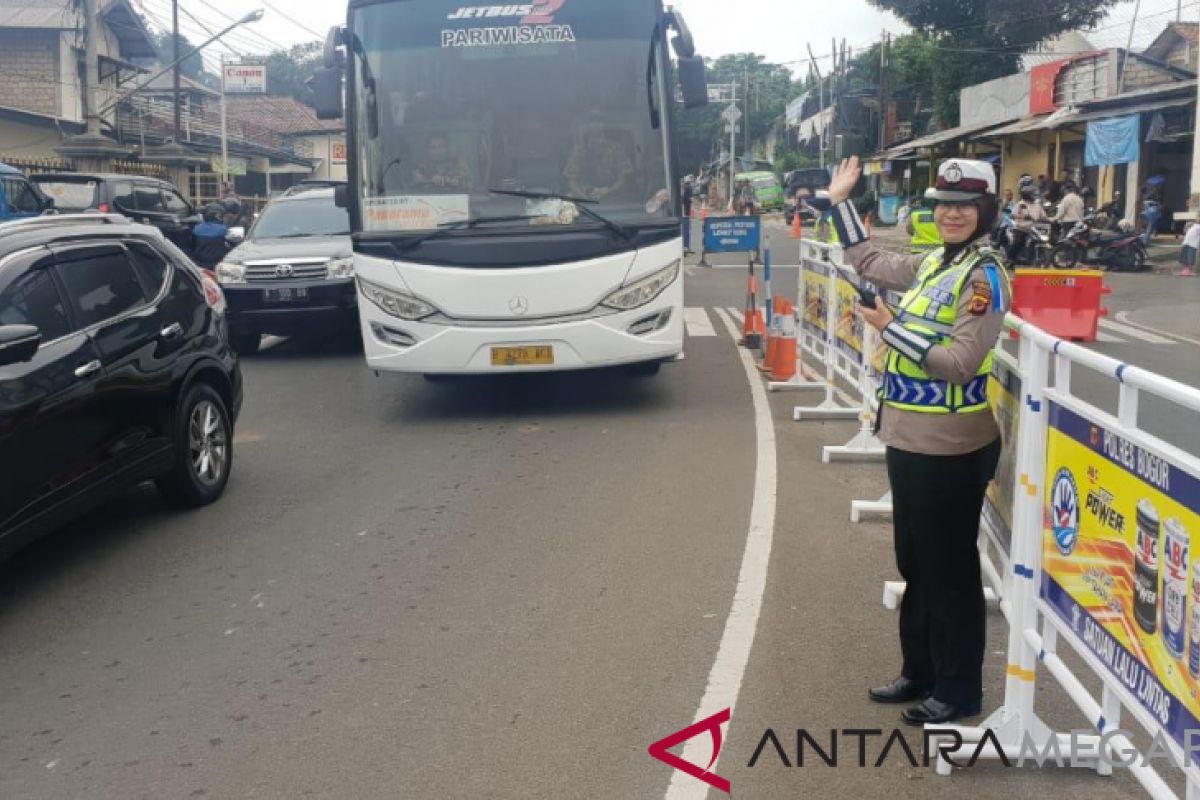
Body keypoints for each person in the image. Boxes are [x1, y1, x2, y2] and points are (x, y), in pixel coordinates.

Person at [827, 155, 1011, 727]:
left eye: (964, 205)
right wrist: (839, 204)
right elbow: (870, 259)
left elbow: (959, 363)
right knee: (914, 560)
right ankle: (921, 671)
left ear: (985, 211)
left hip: (953, 446)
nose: (952, 214)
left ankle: (958, 690)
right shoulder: (936, 262)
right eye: (944, 205)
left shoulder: (985, 276)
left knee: (949, 567)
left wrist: (890, 327)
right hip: (907, 436)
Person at [564, 125, 634, 201]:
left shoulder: (615, 148)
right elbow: (570, 180)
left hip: (614, 195)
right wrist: (583, 197)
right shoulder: (580, 150)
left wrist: (607, 191)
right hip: (585, 194)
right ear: (587, 137)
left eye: (599, 135)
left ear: (604, 135)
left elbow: (625, 178)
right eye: (592, 135)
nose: (596, 140)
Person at [1009, 185, 1048, 262]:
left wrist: (1051, 219)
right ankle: (1010, 259)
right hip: (1021, 228)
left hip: (1034, 228)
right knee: (1018, 243)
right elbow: (1013, 215)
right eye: (1033, 194)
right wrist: (1023, 217)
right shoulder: (1021, 204)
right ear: (1027, 195)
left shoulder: (1037, 205)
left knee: (1044, 239)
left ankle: (1032, 258)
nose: (1035, 195)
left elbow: (1044, 216)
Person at [192, 203, 230, 268]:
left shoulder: (197, 228)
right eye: (220, 215)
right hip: (217, 264)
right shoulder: (223, 229)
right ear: (216, 216)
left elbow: (192, 245)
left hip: (199, 263)